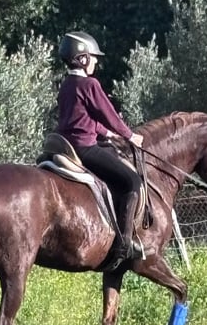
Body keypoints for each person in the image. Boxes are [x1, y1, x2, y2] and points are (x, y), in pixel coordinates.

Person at [56, 31, 145, 261]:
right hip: (85, 148)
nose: (96, 61)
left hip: (66, 145)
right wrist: (129, 136)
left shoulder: (66, 84)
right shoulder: (89, 84)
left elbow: (82, 118)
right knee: (132, 181)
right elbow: (109, 114)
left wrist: (108, 134)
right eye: (93, 57)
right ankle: (124, 244)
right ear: (82, 58)